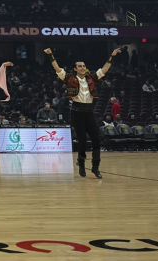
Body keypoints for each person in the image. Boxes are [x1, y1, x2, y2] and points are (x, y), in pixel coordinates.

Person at [45, 47, 121, 179]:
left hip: (89, 111)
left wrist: (112, 56)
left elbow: (104, 69)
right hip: (76, 111)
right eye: (79, 66)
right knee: (82, 140)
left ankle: (95, 167)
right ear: (75, 69)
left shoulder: (91, 78)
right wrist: (51, 55)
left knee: (97, 139)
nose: (82, 67)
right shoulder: (69, 78)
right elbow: (57, 69)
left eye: (84, 66)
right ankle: (81, 163)